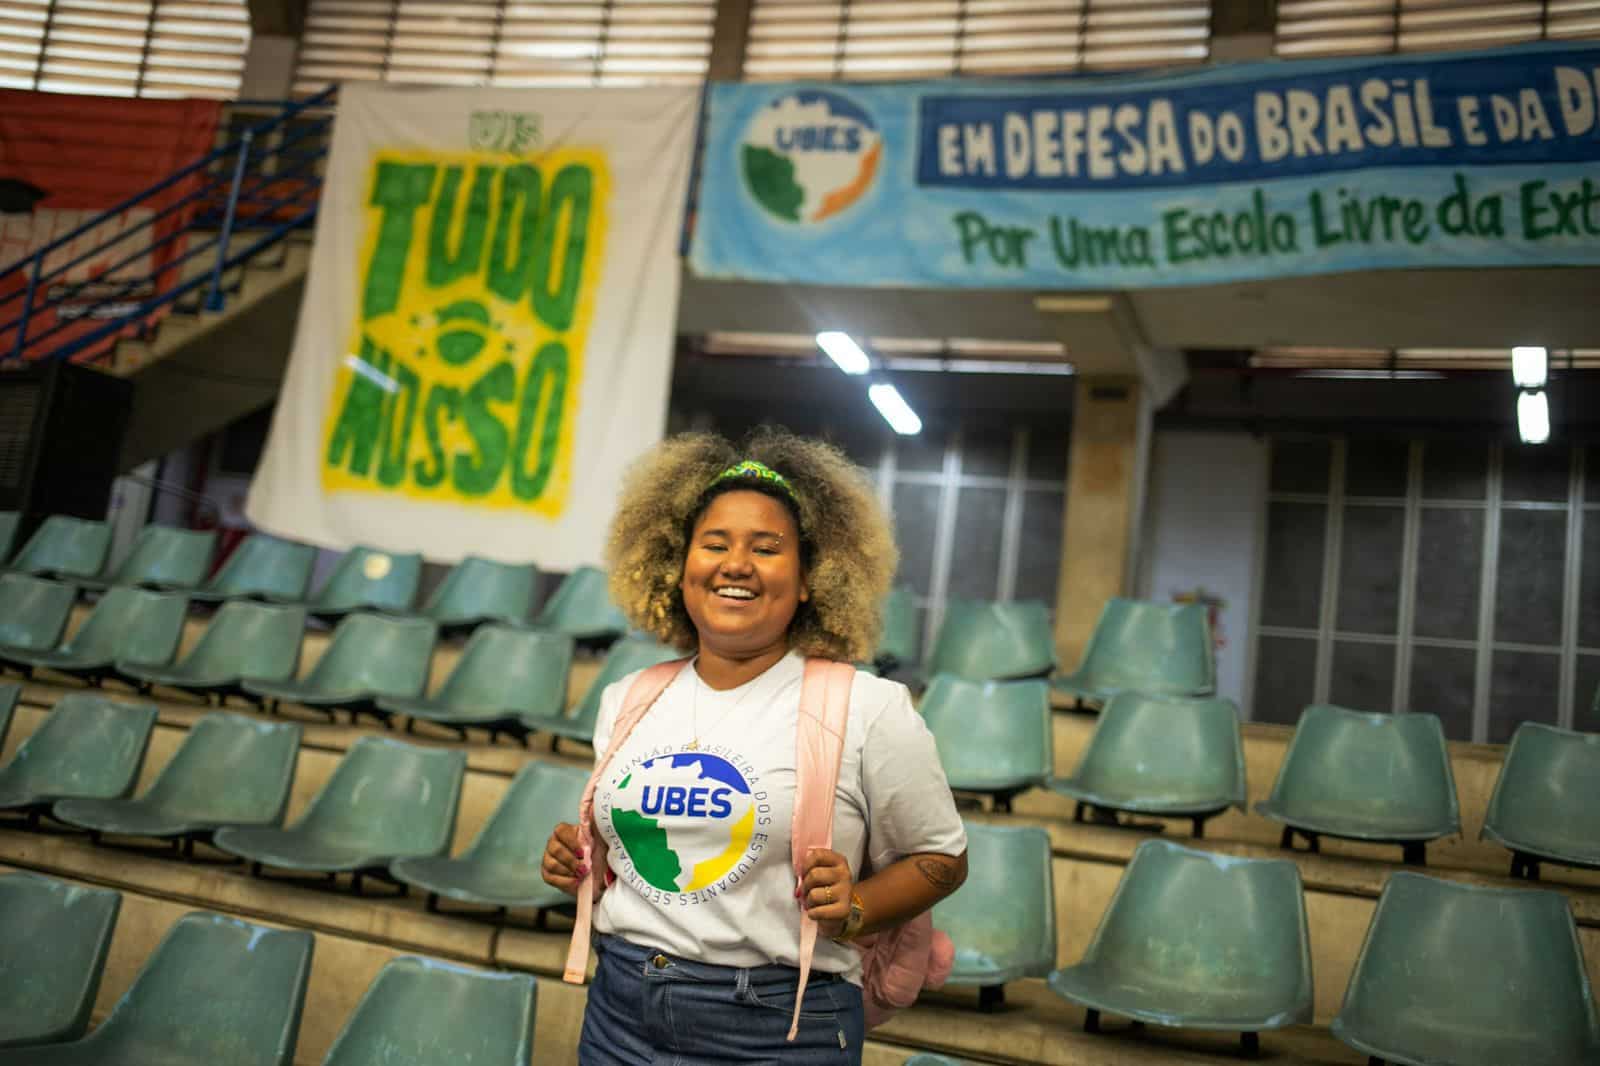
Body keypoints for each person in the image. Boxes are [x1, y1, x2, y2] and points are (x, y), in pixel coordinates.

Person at [542, 428, 969, 1065]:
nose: (735, 564)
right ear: (678, 568)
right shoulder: (628, 698)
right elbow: (640, 868)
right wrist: (578, 868)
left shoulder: (866, 706)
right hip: (618, 1012)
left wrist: (855, 907)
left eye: (767, 549)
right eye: (713, 544)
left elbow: (943, 858)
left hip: (778, 1030)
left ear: (808, 580)